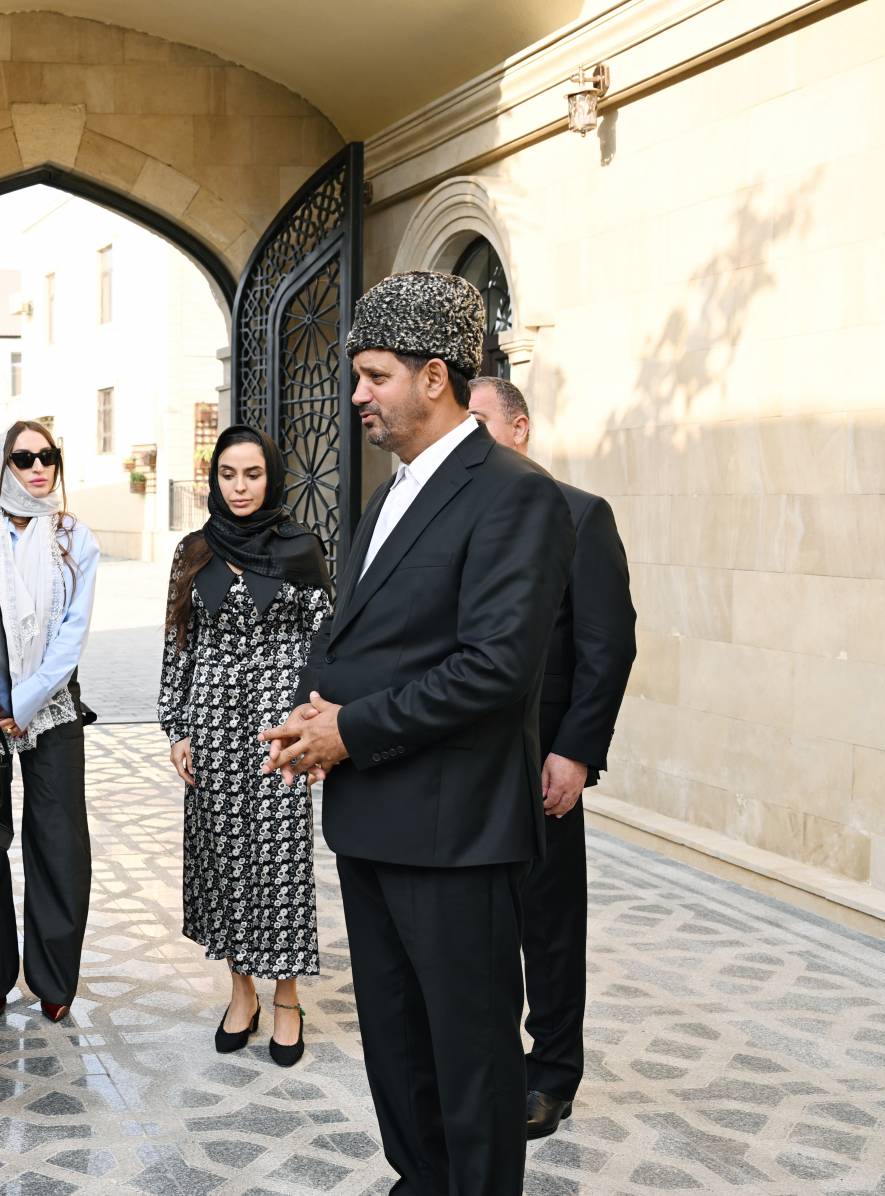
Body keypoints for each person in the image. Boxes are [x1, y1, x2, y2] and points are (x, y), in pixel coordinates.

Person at [260, 271, 572, 1196]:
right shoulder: (391, 490)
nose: (357, 396)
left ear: (434, 377)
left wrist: (352, 730)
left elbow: (494, 670)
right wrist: (321, 711)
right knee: (399, 1050)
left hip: (455, 834)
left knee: (471, 1064)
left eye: (373, 376)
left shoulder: (515, 494)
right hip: (375, 822)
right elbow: (373, 634)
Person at [466, 375, 638, 1141]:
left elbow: (607, 648)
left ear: (521, 428)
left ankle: (554, 1074)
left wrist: (574, 753)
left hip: (544, 765)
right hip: (468, 762)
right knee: (480, 926)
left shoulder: (580, 515)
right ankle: (491, 1061)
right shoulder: (460, 517)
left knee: (551, 926)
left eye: (479, 423)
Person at [158, 425, 333, 1067]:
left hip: (276, 730)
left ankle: (286, 997)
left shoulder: (301, 549)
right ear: (214, 479)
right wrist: (176, 727)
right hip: (210, 730)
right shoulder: (193, 550)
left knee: (279, 866)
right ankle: (241, 991)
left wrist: (312, 727)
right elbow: (178, 643)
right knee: (221, 861)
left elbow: (324, 642)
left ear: (272, 477)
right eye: (228, 474)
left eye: (252, 474)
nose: (240, 487)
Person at [0, 420, 102, 1025]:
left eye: (48, 456)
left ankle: (53, 981)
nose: (37, 468)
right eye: (23, 458)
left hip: (51, 708)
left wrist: (22, 704)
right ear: (3, 464)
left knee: (59, 843)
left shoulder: (75, 538)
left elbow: (70, 636)